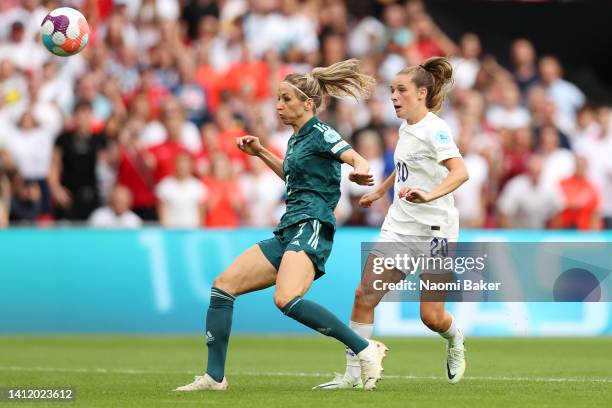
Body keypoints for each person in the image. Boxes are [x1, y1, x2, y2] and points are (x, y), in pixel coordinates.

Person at [175, 59, 388, 392]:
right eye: (277, 98)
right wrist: (261, 152)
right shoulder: (297, 138)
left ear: (307, 103)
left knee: (286, 298)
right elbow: (291, 176)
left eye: (286, 99)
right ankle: (215, 377)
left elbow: (351, 155)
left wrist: (360, 168)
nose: (278, 105)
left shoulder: (320, 131)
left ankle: (365, 347)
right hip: (290, 227)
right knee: (223, 285)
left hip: (312, 224)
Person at [315, 57, 470, 389]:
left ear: (422, 93)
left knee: (431, 317)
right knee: (364, 294)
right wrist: (381, 191)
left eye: (401, 90)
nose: (394, 97)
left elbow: (461, 172)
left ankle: (455, 338)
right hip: (400, 226)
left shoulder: (436, 129)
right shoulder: (405, 127)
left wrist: (429, 197)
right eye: (392, 90)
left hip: (437, 232)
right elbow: (404, 168)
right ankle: (353, 374)